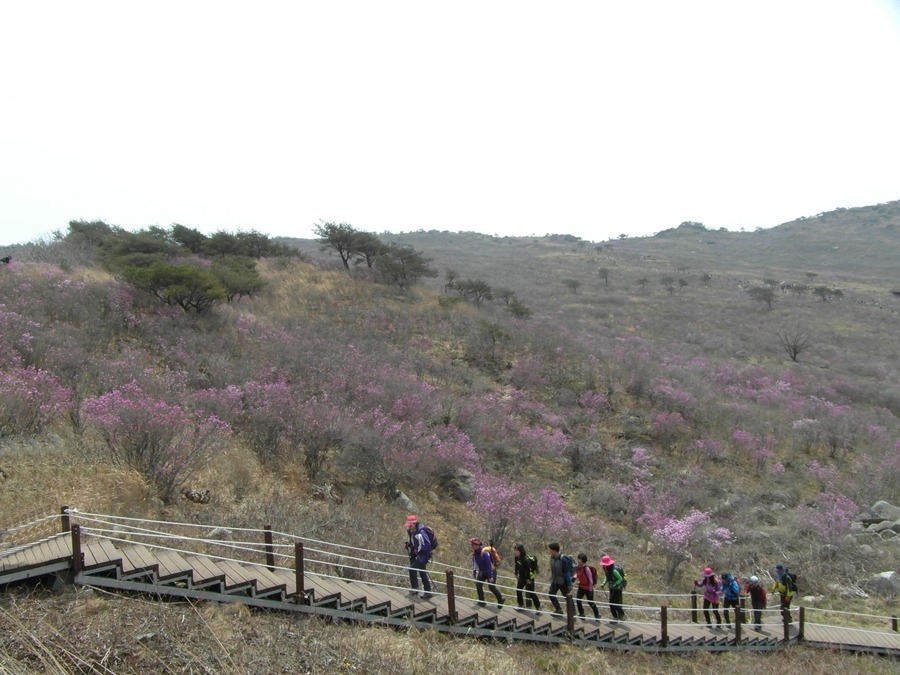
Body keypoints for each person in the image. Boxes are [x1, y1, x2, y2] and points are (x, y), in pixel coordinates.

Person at [470, 538, 505, 607]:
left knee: (491, 587)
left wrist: (490, 576)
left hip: (491, 571)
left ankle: (500, 599)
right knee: (478, 584)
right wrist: (474, 571)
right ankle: (481, 601)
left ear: (477, 545)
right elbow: (476, 563)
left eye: (472, 544)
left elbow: (489, 565)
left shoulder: (484, 553)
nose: (471, 546)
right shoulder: (475, 553)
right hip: (482, 571)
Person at [404, 514, 433, 597]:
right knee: (422, 572)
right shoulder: (414, 531)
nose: (409, 527)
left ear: (414, 524)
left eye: (410, 525)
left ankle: (416, 589)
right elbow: (416, 543)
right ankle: (427, 592)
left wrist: (418, 550)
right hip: (420, 555)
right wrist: (409, 545)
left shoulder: (421, 532)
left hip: (424, 555)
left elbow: (427, 544)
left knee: (412, 569)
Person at [547, 542, 574, 616]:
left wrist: (569, 584)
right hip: (555, 580)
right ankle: (558, 609)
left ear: (554, 550)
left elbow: (567, 573)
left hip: (563, 581)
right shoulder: (552, 558)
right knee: (551, 594)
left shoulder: (563, 560)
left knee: (567, 597)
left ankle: (573, 611)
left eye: (550, 550)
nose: (549, 551)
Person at [513, 544, 541, 611]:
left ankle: (538, 606)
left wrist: (528, 579)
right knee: (518, 590)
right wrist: (516, 573)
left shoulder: (525, 559)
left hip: (529, 578)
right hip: (522, 577)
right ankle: (521, 605)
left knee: (531, 593)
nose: (515, 552)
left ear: (521, 551)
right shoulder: (516, 558)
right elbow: (516, 566)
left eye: (517, 550)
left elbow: (528, 570)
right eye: (515, 550)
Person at [599, 554, 626, 622]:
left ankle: (622, 615)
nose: (603, 566)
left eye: (604, 565)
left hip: (617, 589)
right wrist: (603, 583)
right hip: (612, 588)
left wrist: (615, 584)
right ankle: (615, 617)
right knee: (611, 603)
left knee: (614, 603)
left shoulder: (614, 571)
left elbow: (620, 579)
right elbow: (607, 577)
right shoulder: (607, 571)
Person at [574, 553, 601, 619]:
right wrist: (574, 578)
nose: (578, 560)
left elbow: (591, 581)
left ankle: (597, 614)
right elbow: (577, 575)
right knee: (578, 600)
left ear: (582, 560)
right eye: (578, 559)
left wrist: (590, 590)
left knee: (590, 602)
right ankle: (581, 613)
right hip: (581, 587)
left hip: (588, 588)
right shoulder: (578, 568)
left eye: (579, 559)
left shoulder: (587, 569)